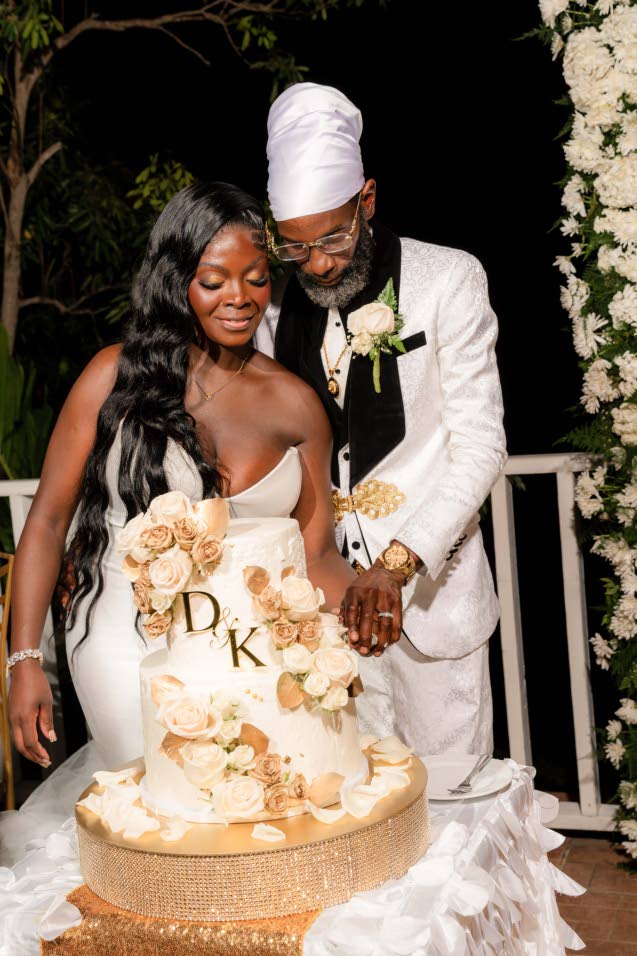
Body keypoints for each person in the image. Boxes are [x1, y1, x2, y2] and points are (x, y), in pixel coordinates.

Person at [3, 181, 356, 859]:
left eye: (256, 278)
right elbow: (46, 522)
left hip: (246, 644)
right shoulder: (112, 377)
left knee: (247, 818)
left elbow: (316, 557)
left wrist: (368, 601)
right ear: (177, 282)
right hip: (119, 629)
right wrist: (24, 661)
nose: (239, 297)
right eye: (214, 281)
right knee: (166, 809)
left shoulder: (296, 404)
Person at [255, 83, 507, 756]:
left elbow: (481, 446)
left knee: (451, 799)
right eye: (294, 247)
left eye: (333, 237)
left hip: (432, 603)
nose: (318, 263)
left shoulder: (448, 278)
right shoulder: (272, 312)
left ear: (366, 200)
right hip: (324, 612)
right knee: (354, 795)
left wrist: (396, 565)